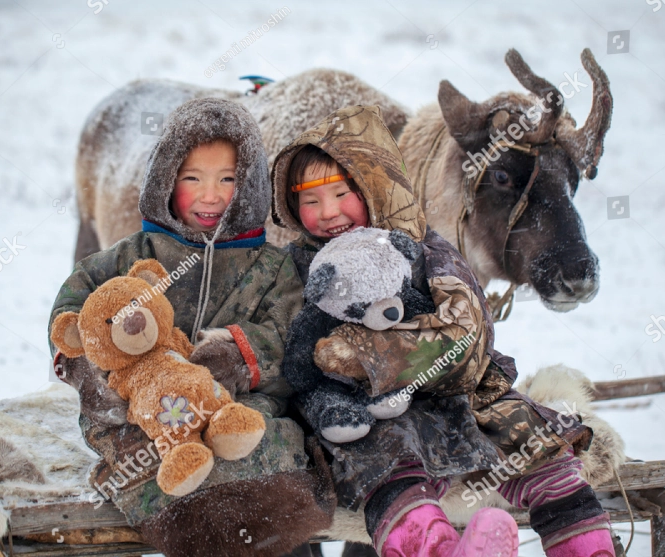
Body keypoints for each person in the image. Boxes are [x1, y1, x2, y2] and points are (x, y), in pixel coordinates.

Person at [271, 105, 617, 557]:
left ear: (374, 186)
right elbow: (288, 345)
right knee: (386, 461)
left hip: (462, 390)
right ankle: (437, 549)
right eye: (310, 202)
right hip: (373, 412)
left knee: (534, 441)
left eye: (341, 194)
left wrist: (375, 355)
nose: (328, 213)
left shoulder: (426, 249)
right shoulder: (299, 267)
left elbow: (467, 329)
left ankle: (586, 546)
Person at [49, 97, 334, 557]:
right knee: (162, 470)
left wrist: (241, 356)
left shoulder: (271, 268)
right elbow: (76, 301)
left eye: (228, 179)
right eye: (192, 178)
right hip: (145, 412)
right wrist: (90, 363)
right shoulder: (133, 254)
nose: (211, 195)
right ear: (166, 179)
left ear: (249, 186)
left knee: (266, 468)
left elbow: (293, 339)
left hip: (240, 408)